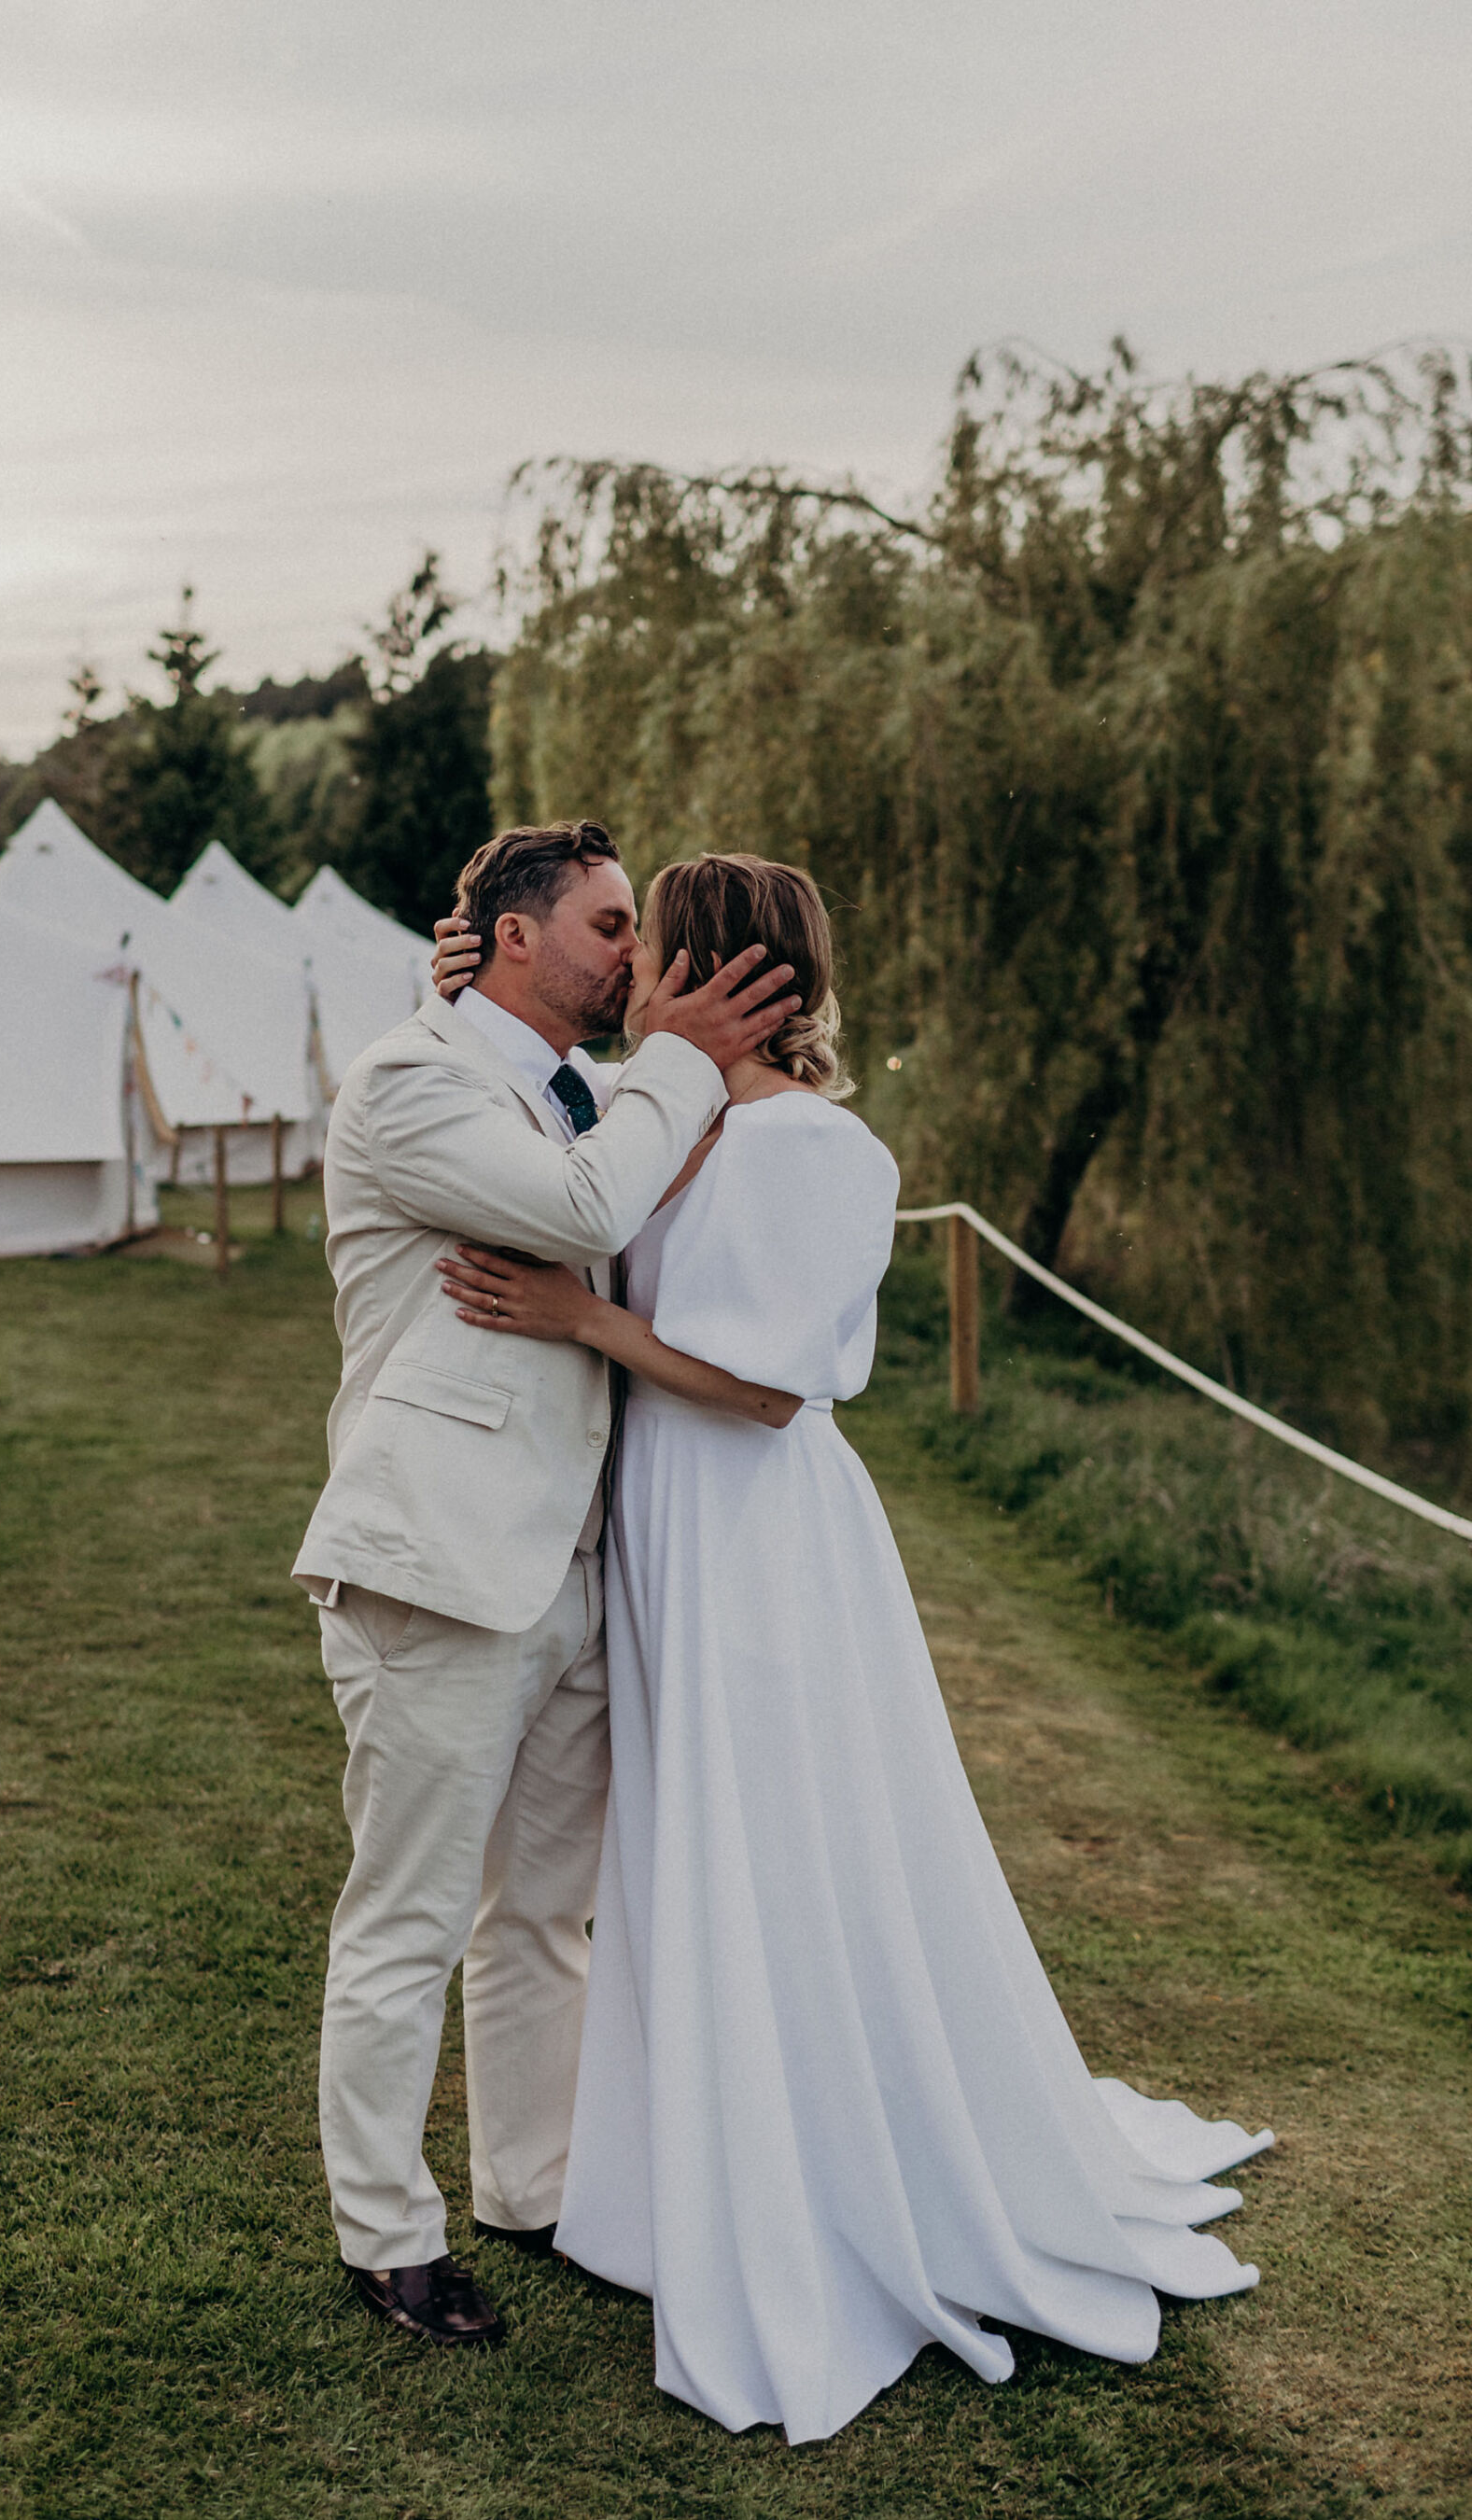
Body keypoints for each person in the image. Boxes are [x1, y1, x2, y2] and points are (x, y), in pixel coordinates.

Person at [432, 851, 1272, 2442]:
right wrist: (463, 974)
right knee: (677, 1854)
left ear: (728, 971)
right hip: (664, 1529)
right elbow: (532, 1114)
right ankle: (677, 2164)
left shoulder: (818, 1148)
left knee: (777, 1852)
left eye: (656, 944)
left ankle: (821, 2168)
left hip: (755, 1541)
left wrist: (585, 1322)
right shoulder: (660, 1115)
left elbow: (767, 1387)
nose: (633, 975)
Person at [291, 820, 801, 2349]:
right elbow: (583, 1215)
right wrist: (687, 1059)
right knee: (410, 1921)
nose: (635, 954)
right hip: (441, 1565)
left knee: (544, 1920)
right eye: (608, 923)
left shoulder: (576, 1085)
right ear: (515, 938)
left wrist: (677, 1076)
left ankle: (538, 2186)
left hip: (575, 1570)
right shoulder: (411, 1082)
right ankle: (387, 2240)